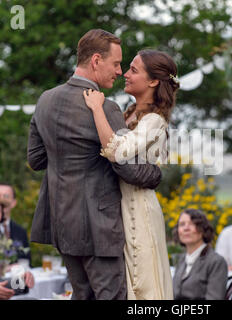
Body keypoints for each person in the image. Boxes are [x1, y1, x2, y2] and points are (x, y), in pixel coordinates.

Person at [27, 29, 162, 300]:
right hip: (100, 229)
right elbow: (128, 167)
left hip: (61, 223)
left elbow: (36, 160)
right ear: (96, 60)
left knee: (81, 296)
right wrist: (156, 174)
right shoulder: (106, 108)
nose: (119, 71)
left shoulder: (45, 101)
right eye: (115, 64)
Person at [83, 49, 177, 299]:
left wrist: (96, 109)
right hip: (121, 208)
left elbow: (119, 151)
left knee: (144, 286)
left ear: (153, 81)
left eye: (133, 70)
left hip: (139, 211)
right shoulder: (129, 113)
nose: (125, 73)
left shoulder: (155, 120)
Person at [171, 209, 228, 300]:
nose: (186, 228)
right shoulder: (181, 260)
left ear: (203, 229)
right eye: (182, 224)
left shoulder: (216, 262)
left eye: (192, 224)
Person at [0, 183, 31, 265]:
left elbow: (27, 262)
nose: (2, 200)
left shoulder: (21, 231)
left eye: (6, 196)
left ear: (14, 203)